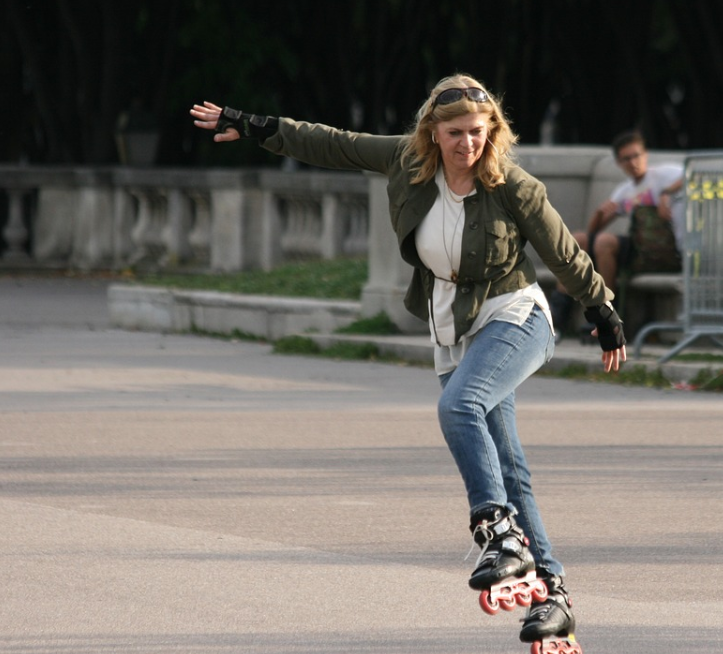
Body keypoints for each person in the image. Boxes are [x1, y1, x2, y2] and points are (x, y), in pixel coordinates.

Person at [191, 74, 625, 652]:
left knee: (460, 406)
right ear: (432, 133)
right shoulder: (406, 162)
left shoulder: (513, 186)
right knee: (510, 464)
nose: (467, 144)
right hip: (452, 326)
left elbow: (564, 254)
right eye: (455, 133)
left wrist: (602, 312)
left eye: (477, 132)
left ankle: (497, 532)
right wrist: (255, 126)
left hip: (516, 316)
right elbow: (334, 142)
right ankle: (555, 597)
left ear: (492, 132)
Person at [550, 130, 684, 339]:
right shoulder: (625, 190)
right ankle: (557, 318)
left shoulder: (664, 174)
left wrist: (666, 193)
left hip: (665, 251)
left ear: (645, 154)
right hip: (640, 250)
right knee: (578, 240)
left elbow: (693, 175)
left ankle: (606, 315)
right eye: (626, 159)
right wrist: (599, 213)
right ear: (619, 163)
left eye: (636, 155)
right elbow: (593, 232)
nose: (633, 162)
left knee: (604, 243)